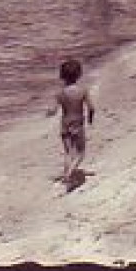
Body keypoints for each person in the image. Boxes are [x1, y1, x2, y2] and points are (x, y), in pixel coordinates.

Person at [49, 58, 95, 189]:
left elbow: (53, 110)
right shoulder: (82, 91)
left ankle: (66, 175)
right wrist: (90, 118)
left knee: (68, 152)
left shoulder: (60, 93)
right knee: (80, 152)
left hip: (64, 125)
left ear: (61, 76)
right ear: (79, 75)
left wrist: (47, 113)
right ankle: (69, 174)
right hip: (78, 125)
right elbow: (91, 107)